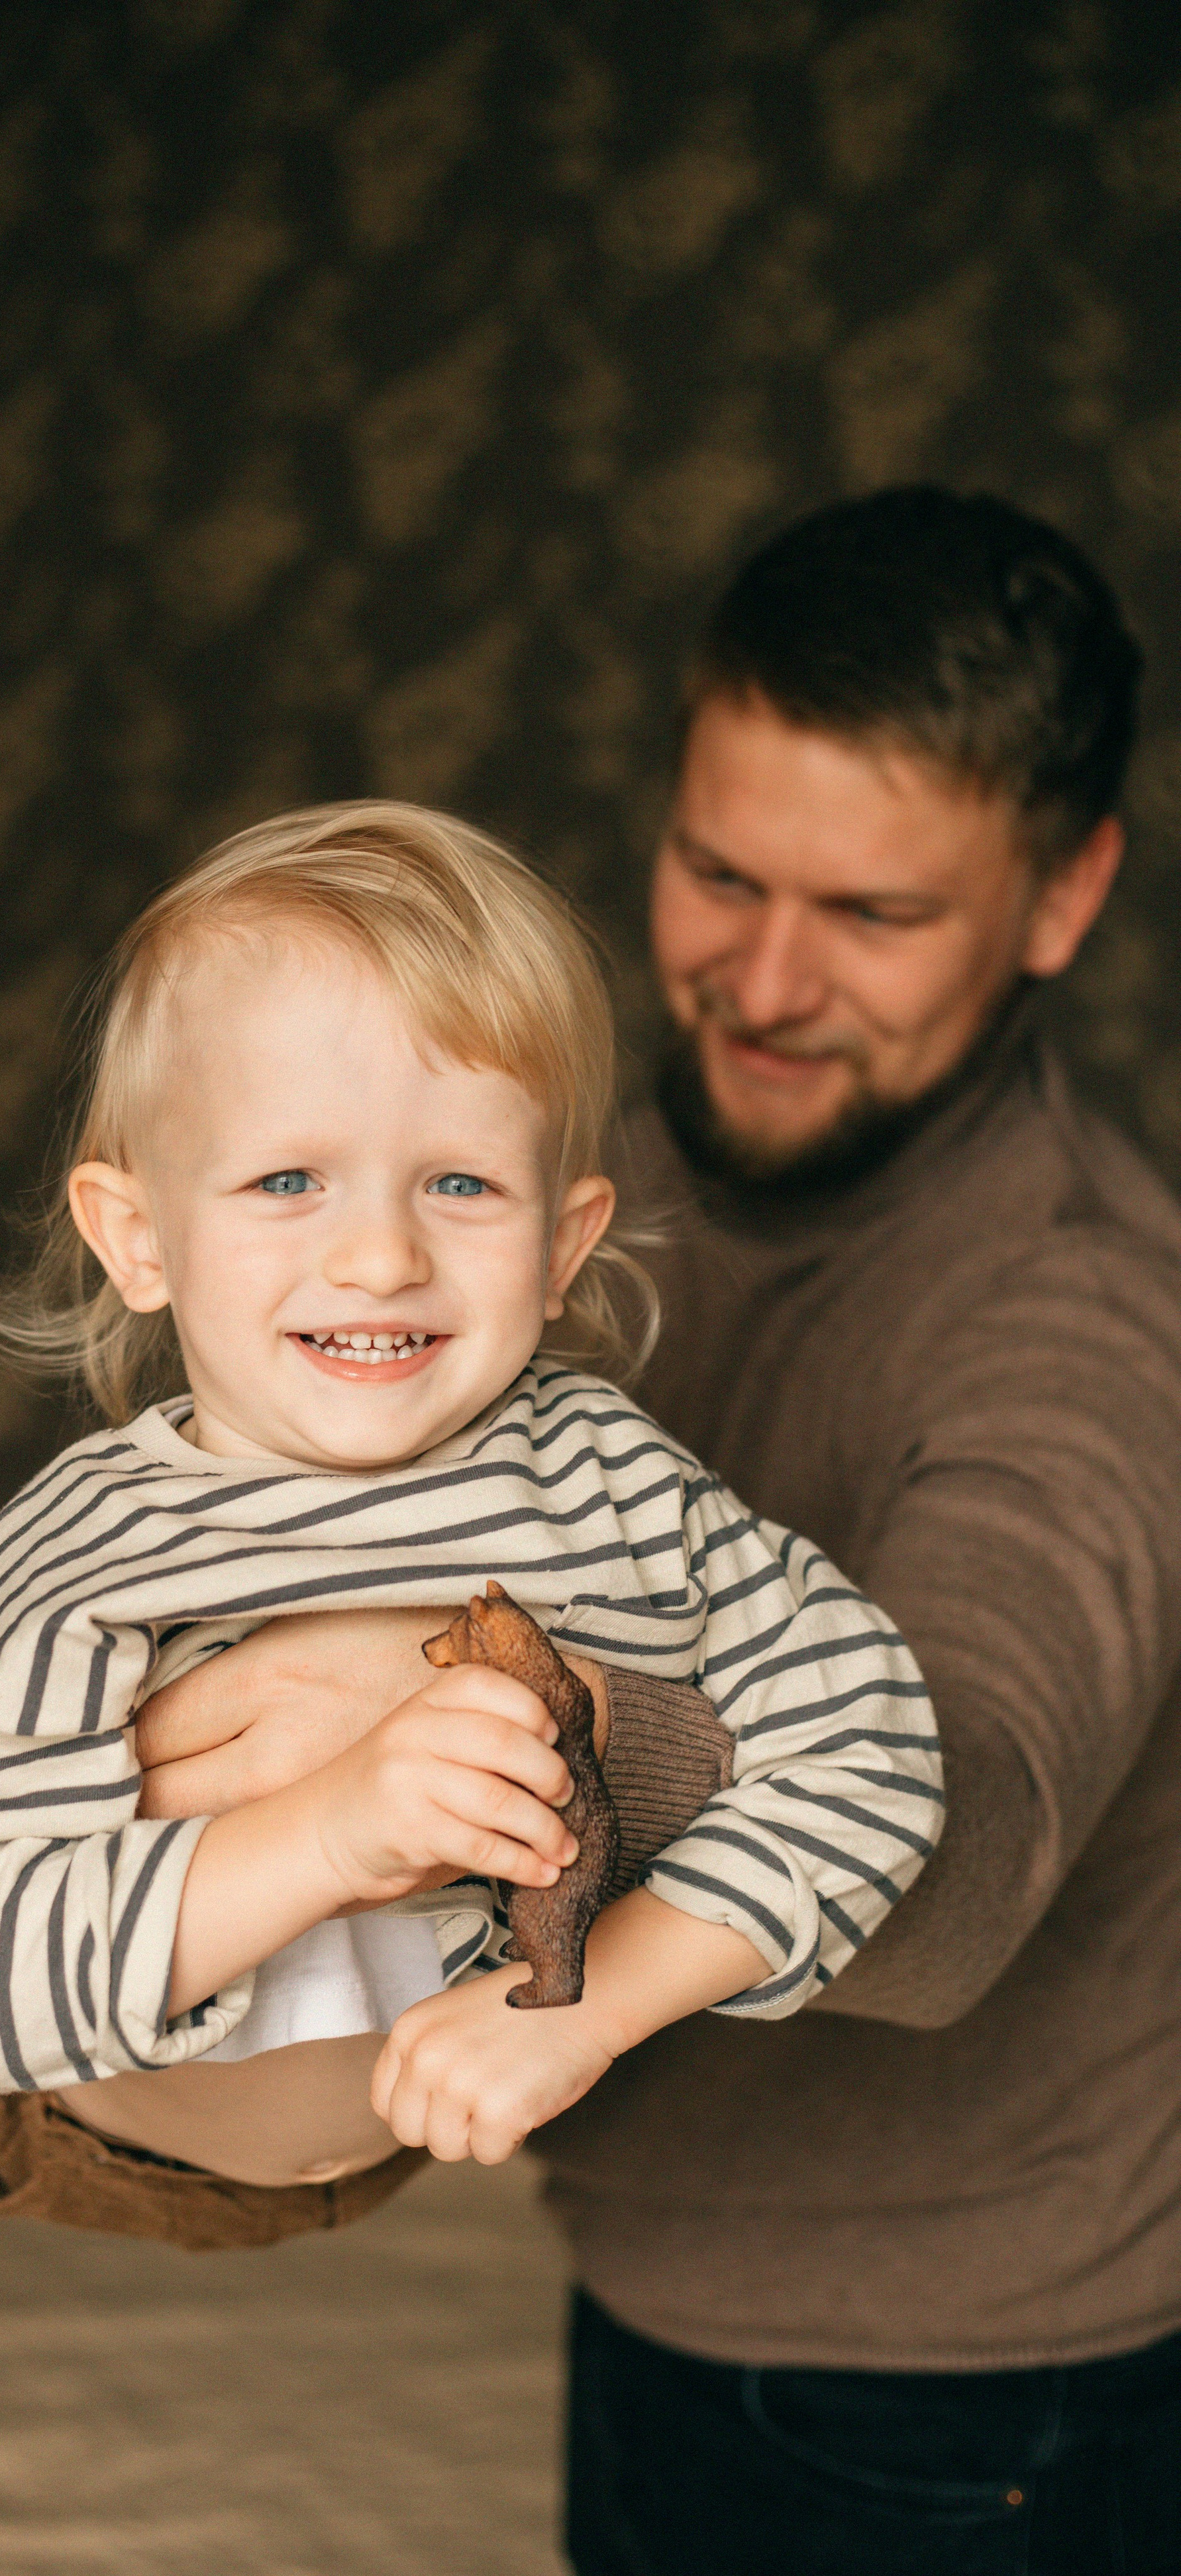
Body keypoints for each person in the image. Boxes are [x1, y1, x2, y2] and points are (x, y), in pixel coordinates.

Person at [145, 490, 1181, 2567]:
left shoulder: (1080, 1314)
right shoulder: (569, 1200)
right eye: (720, 872)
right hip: (650, 2281)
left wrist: (467, 1705)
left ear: (1064, 897)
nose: (764, 979)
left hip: (969, 2401)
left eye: (873, 915)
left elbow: (962, 1861)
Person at [0, 800, 941, 2219]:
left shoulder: (604, 1479)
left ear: (562, 1245)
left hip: (417, 2129)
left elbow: (875, 1741)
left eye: (459, 1183)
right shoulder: (82, 1559)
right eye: (286, 1179)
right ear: (138, 1237)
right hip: (102, 2129)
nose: (377, 1255)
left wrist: (594, 2006)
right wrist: (329, 1832)